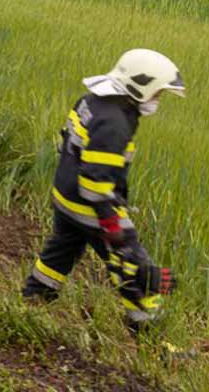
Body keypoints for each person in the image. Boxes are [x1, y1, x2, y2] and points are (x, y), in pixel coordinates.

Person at [22, 49, 183, 331]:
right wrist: (113, 227)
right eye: (158, 92)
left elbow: (67, 145)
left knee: (60, 251)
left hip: (66, 198)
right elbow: (95, 182)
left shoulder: (93, 100)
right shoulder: (116, 122)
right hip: (91, 207)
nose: (158, 100)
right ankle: (149, 335)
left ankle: (32, 301)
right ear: (140, 85)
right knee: (132, 264)